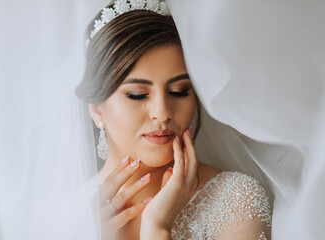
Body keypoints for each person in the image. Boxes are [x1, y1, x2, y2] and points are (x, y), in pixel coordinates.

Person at [75, 1, 272, 239]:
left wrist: (157, 227)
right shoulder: (60, 212)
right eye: (138, 95)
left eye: (179, 91)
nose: (163, 112)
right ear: (97, 109)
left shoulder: (235, 200)